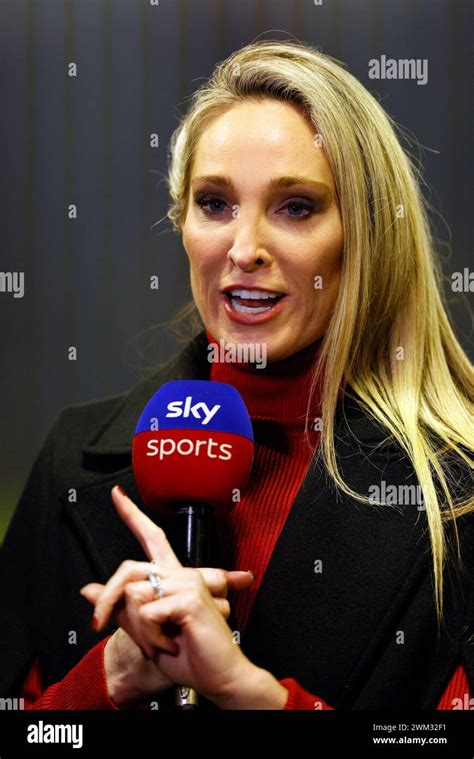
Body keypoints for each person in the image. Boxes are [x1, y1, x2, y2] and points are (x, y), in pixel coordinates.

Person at [1, 39, 472, 711]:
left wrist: (256, 696)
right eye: (215, 203)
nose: (243, 249)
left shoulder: (460, 494)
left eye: (296, 207)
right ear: (182, 223)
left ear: (366, 235)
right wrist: (109, 679)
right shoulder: (70, 462)